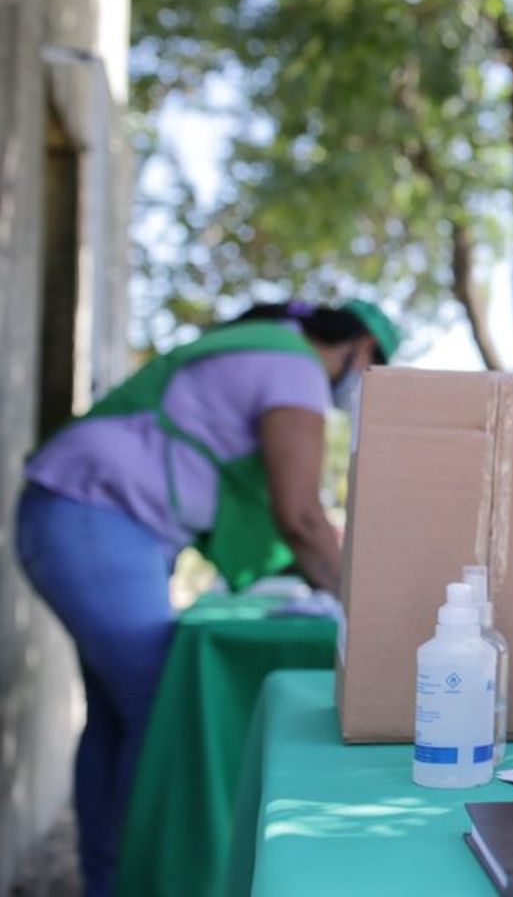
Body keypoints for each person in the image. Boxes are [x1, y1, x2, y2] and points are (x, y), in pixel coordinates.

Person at [14, 299, 400, 897]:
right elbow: (299, 518)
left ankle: (109, 882)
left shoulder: (260, 345)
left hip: (74, 512)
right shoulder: (294, 367)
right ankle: (151, 882)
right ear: (361, 347)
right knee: (162, 708)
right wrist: (369, 598)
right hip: (97, 517)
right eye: (379, 370)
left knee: (117, 719)